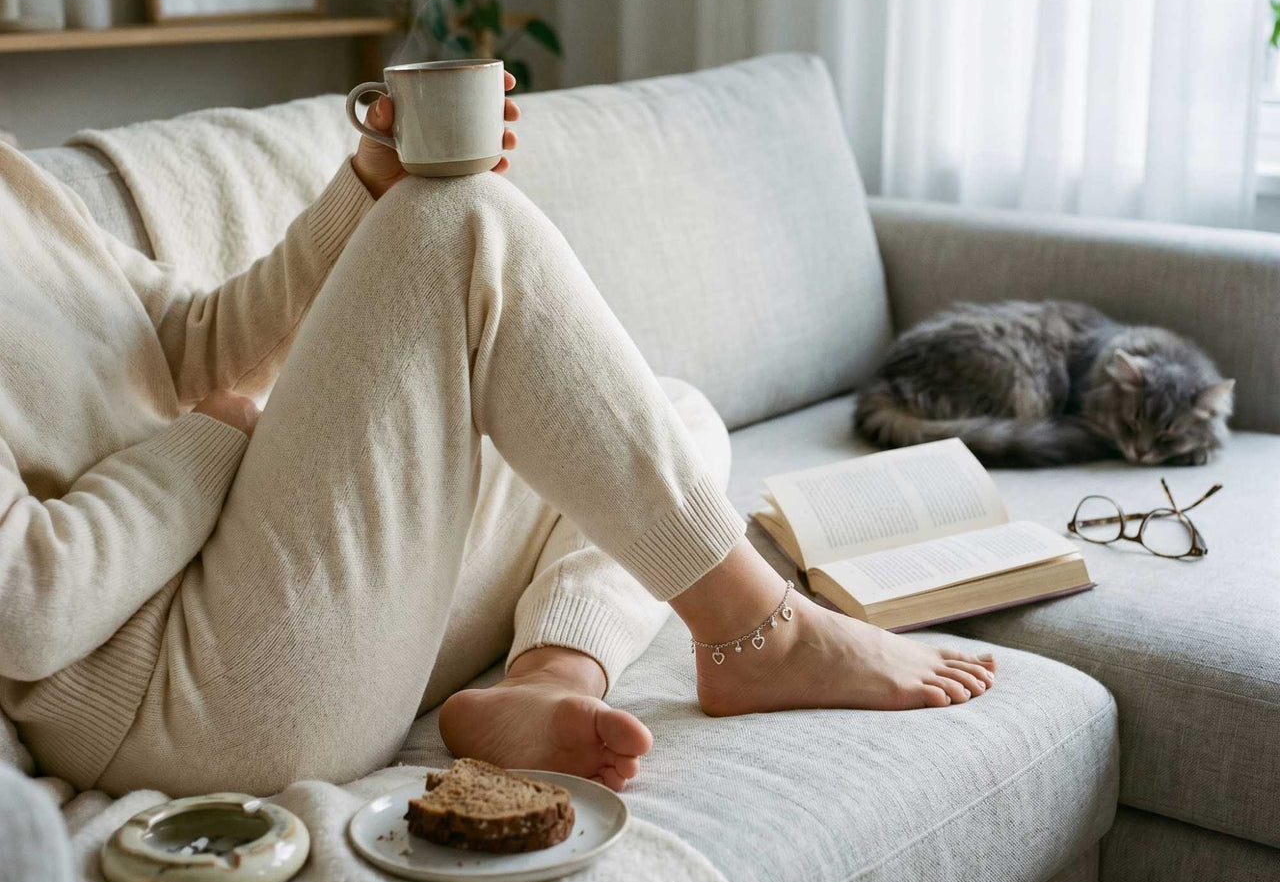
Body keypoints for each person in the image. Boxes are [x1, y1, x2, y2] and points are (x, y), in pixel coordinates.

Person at [0, 74, 996, 798]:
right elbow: (27, 603)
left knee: (667, 418)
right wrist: (211, 446)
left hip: (258, 590)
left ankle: (550, 675)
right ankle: (756, 627)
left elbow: (195, 345)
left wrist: (365, 188)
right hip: (186, 701)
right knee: (460, 220)